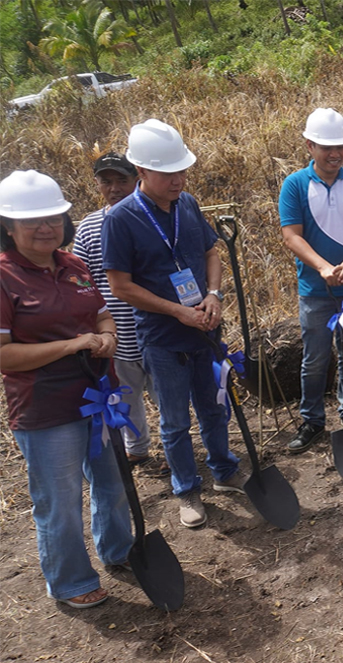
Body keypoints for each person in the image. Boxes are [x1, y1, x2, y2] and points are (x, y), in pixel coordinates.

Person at [103, 119, 244, 529]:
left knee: (214, 407)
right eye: (169, 173)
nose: (179, 179)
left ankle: (224, 469)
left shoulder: (187, 204)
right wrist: (177, 310)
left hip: (205, 327)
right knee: (176, 421)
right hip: (163, 338)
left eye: (182, 170)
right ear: (142, 172)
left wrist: (214, 295)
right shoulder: (122, 218)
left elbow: (211, 252)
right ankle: (186, 489)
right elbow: (121, 285)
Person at [0, 170, 132, 608]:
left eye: (53, 218)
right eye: (33, 221)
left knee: (113, 485)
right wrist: (71, 345)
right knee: (60, 500)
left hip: (98, 397)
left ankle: (119, 550)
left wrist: (107, 334)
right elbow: (4, 354)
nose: (45, 228)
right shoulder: (4, 277)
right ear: (8, 226)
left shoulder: (72, 264)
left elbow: (100, 314)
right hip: (45, 407)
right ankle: (71, 580)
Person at [279, 109, 343, 454]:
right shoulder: (295, 185)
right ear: (310, 145)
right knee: (316, 357)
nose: (334, 154)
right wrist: (323, 267)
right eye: (326, 147)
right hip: (316, 291)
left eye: (341, 147)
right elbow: (292, 236)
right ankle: (312, 421)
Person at [73, 152, 168, 477]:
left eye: (121, 180)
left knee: (167, 397)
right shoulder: (88, 228)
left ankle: (174, 450)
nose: (114, 188)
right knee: (126, 396)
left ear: (137, 178)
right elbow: (79, 281)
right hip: (117, 333)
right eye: (106, 181)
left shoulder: (156, 216)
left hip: (159, 328)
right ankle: (137, 450)